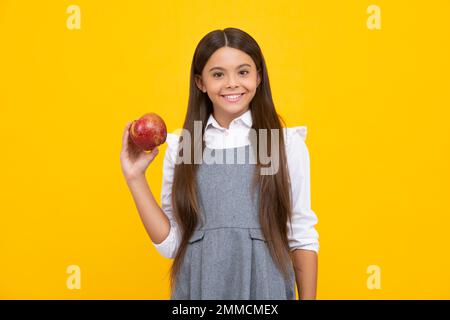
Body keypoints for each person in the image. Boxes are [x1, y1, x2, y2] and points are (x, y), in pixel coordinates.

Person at [120, 27, 319, 300]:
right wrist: (135, 178)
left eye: (243, 72)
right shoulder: (183, 147)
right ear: (200, 82)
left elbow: (302, 236)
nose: (232, 83)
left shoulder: (283, 143)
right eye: (217, 74)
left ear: (259, 77)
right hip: (199, 291)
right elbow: (172, 244)